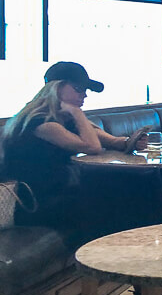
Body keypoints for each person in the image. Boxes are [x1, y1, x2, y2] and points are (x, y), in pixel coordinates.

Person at [1, 62, 146, 233]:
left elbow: (111, 141)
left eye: (85, 91)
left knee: (135, 187)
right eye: (78, 89)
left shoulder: (64, 119)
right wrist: (77, 113)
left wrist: (129, 142)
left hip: (59, 192)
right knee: (117, 199)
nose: (84, 95)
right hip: (34, 203)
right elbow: (93, 147)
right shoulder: (40, 122)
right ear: (56, 88)